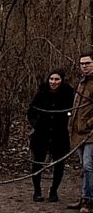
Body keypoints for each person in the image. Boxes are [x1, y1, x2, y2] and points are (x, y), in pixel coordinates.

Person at [28, 69, 74, 202]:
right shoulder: (41, 93)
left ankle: (53, 191)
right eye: (51, 79)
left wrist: (66, 119)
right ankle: (37, 191)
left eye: (56, 79)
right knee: (37, 161)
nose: (53, 82)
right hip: (41, 133)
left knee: (59, 163)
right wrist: (36, 124)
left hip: (59, 134)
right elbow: (31, 111)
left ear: (62, 80)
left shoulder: (68, 94)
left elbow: (72, 111)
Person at [72, 53, 93, 213]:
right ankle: (84, 196)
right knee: (84, 168)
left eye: (87, 63)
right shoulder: (81, 83)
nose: (84, 66)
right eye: (81, 63)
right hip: (78, 131)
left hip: (90, 132)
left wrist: (89, 124)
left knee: (88, 165)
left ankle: (89, 200)